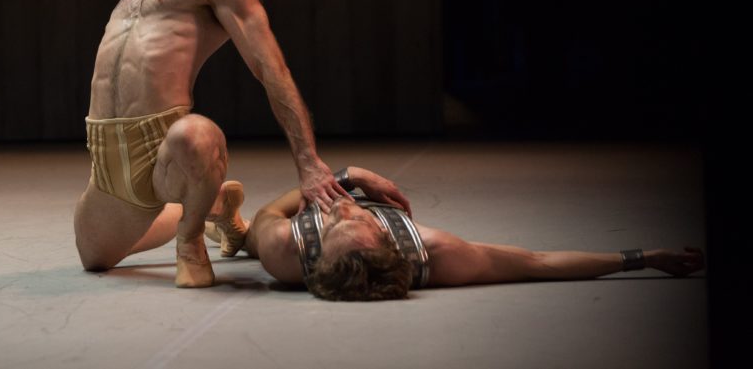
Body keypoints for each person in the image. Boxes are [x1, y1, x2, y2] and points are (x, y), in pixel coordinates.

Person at [73, 0, 349, 288]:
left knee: (198, 135)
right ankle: (217, 205)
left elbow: (271, 68)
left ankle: (190, 238)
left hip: (160, 146)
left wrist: (308, 162)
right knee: (93, 260)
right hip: (105, 158)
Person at [229, 166, 704, 300]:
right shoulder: (433, 253)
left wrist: (342, 178)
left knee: (253, 233)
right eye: (360, 217)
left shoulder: (287, 252)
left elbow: (274, 209)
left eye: (338, 217)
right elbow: (538, 264)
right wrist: (643, 257)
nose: (344, 210)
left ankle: (232, 230)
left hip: (274, 233)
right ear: (390, 239)